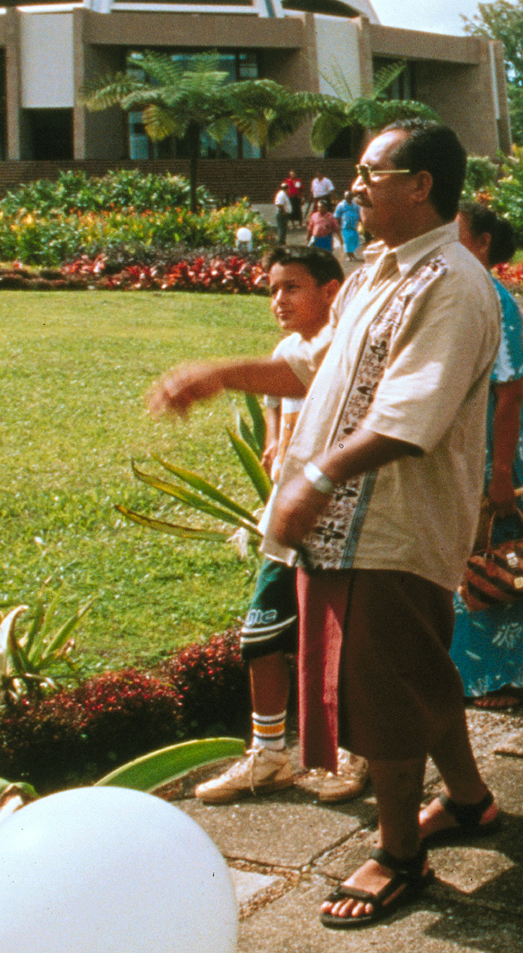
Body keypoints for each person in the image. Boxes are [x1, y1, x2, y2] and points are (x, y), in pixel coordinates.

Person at [147, 121, 502, 929]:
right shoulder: (380, 268)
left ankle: (400, 854)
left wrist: (317, 475)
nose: (353, 188)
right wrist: (218, 374)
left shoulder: (450, 282)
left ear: (419, 184)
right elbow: (313, 366)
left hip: (394, 522)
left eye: (369, 173)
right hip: (343, 519)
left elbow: (414, 412)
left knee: (380, 685)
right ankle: (472, 803)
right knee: (416, 669)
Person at [192, 246, 352, 805]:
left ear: (331, 291)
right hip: (288, 523)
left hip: (340, 518)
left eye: (292, 288)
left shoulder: (344, 348)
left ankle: (354, 755)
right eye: (272, 290)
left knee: (341, 640)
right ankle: (269, 753)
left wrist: (212, 376)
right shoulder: (289, 349)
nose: (278, 301)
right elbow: (278, 431)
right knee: (260, 635)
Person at [450, 200, 523, 709]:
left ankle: (500, 679)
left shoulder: (492, 299)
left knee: (494, 556)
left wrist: (502, 472)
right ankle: (518, 674)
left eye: (456, 231)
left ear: (482, 243)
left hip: (495, 451)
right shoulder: (473, 292)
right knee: (499, 560)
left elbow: (508, 393)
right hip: (482, 449)